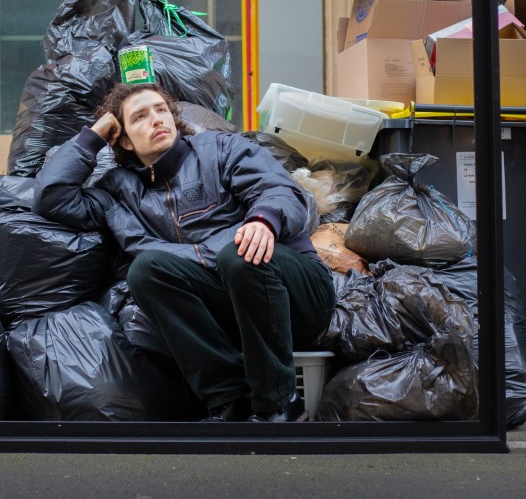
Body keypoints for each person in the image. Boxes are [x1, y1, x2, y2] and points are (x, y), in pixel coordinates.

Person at [34, 83, 335, 422]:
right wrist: (95, 134)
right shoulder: (118, 192)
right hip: (229, 311)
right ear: (124, 140)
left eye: (162, 110)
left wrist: (264, 220)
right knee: (145, 269)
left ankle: (279, 403)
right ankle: (229, 399)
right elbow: (51, 198)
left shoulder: (219, 149)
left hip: (297, 296)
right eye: (140, 117)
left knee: (238, 254)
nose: (157, 120)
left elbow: (278, 190)